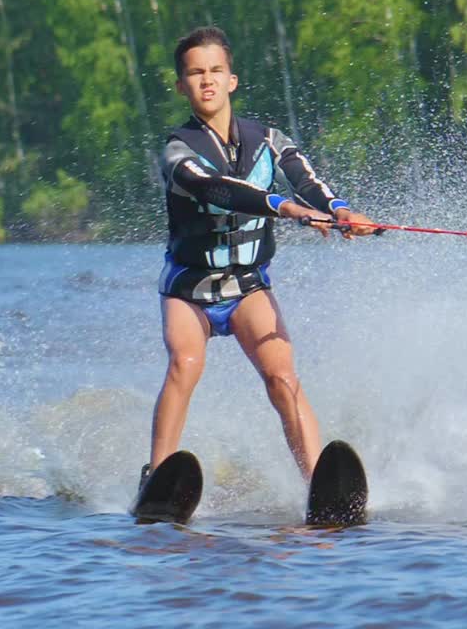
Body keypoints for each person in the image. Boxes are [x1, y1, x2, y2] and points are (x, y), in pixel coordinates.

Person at [143, 26, 376, 490]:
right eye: (195, 73)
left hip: (247, 284)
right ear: (181, 86)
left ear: (232, 80)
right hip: (190, 289)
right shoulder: (177, 151)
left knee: (281, 374)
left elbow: (306, 181)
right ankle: (156, 476)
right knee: (185, 364)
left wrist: (339, 211)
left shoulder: (270, 140)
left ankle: (318, 485)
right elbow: (217, 189)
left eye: (215, 71)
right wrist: (283, 207)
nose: (206, 80)